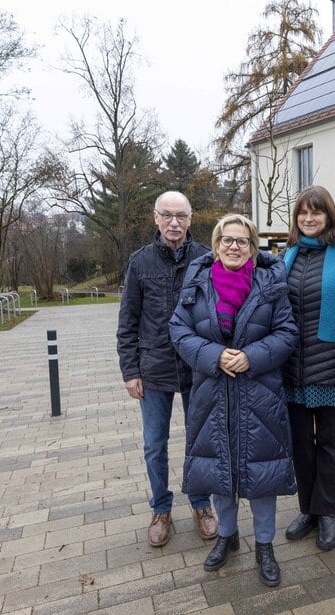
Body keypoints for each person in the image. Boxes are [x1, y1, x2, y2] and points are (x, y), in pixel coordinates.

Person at [169, 214, 298, 587]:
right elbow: (178, 329)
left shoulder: (270, 283)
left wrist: (252, 356)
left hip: (259, 392)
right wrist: (213, 355)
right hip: (212, 392)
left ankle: (265, 546)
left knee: (261, 472)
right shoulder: (198, 283)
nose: (234, 246)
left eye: (242, 241)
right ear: (216, 243)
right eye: (227, 239)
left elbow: (287, 332)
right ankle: (227, 536)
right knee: (218, 468)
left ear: (253, 247)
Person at [117, 191, 218, 548]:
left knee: (200, 440)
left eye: (181, 216)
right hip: (153, 368)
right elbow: (127, 322)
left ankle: (201, 505)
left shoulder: (207, 258)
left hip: (198, 368)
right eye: (167, 215)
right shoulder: (140, 262)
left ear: (190, 219)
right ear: (155, 218)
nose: (174, 223)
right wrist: (131, 371)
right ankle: (160, 509)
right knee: (154, 445)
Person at [281, 186, 335, 551]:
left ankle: (328, 512)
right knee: (300, 444)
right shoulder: (286, 257)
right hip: (292, 370)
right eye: (303, 212)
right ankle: (308, 510)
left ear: (329, 216)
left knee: (329, 443)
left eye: (316, 212)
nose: (309, 218)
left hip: (332, 367)